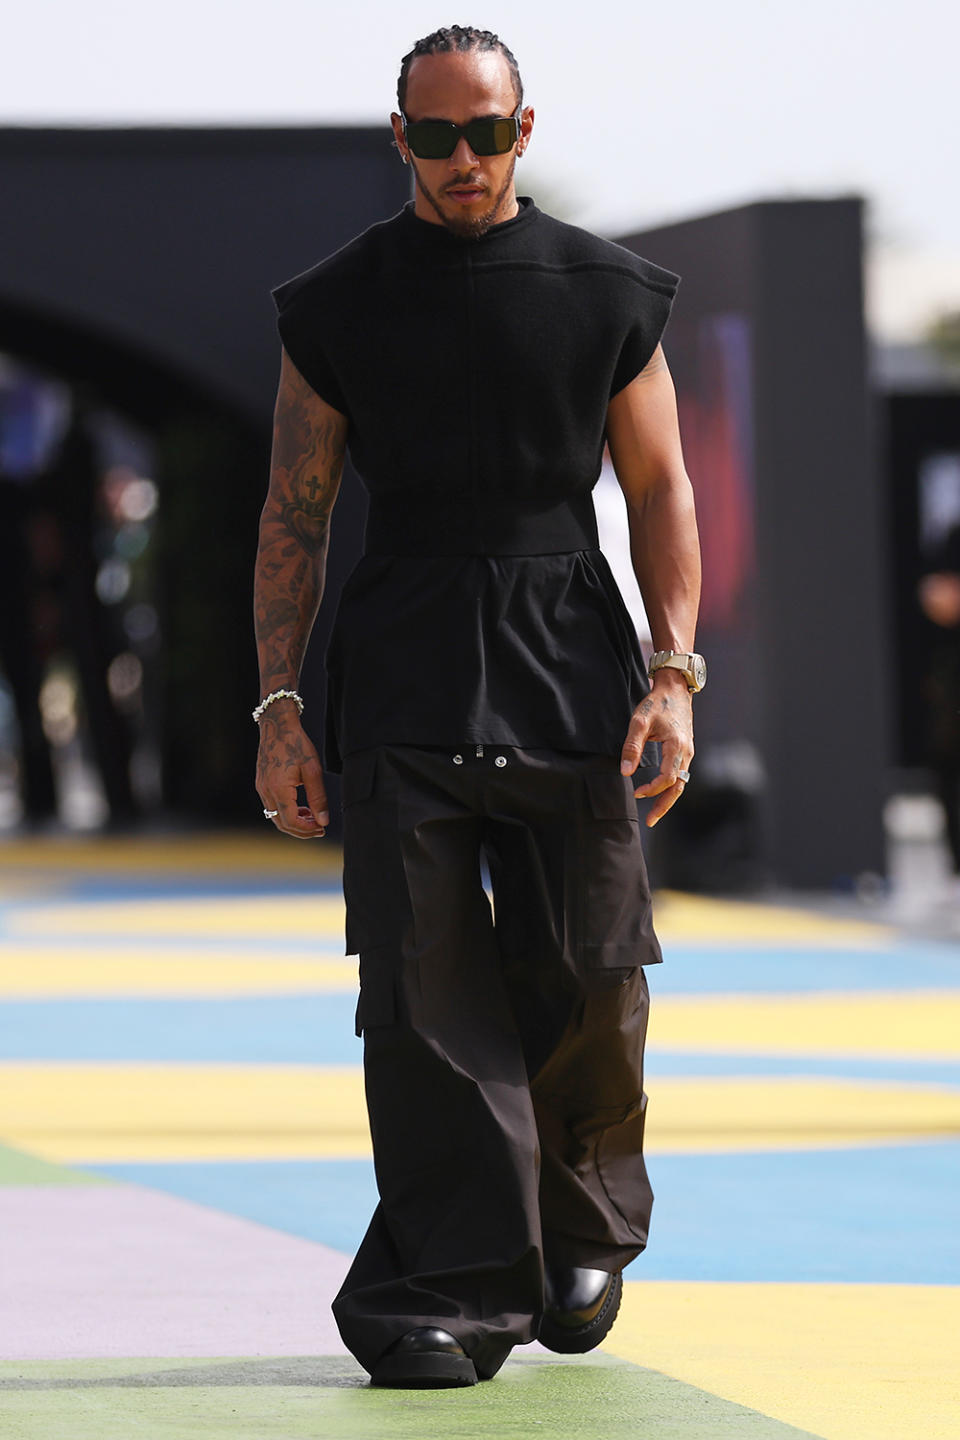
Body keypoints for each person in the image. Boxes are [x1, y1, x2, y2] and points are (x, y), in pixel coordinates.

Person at [254, 24, 703, 1389]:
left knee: (591, 970)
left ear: (524, 127)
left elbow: (663, 490)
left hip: (573, 654)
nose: (465, 159)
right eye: (437, 136)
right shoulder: (335, 304)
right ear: (400, 138)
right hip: (402, 663)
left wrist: (676, 674)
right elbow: (294, 510)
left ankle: (580, 1227)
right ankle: (448, 1281)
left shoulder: (606, 289)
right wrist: (279, 699)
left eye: (488, 133)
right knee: (422, 990)